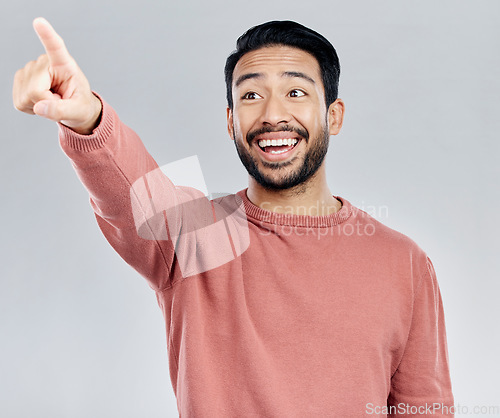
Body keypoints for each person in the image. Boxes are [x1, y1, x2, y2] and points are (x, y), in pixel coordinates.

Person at [13, 17, 454, 417]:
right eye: (251, 95)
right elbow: (133, 191)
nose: (272, 114)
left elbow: (425, 410)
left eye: (296, 92)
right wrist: (90, 118)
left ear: (333, 115)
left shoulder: (404, 263)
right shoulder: (196, 235)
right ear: (230, 121)